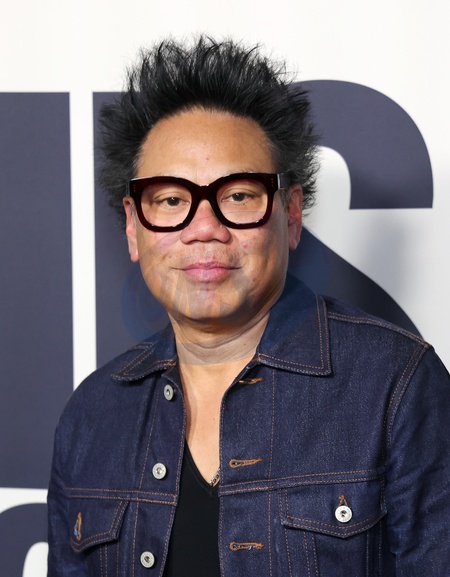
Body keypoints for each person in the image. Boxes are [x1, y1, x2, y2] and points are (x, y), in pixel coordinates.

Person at [47, 37, 450, 577]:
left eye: (238, 196)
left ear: (291, 214)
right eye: (170, 199)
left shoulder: (396, 385)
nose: (204, 229)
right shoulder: (92, 415)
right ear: (133, 226)